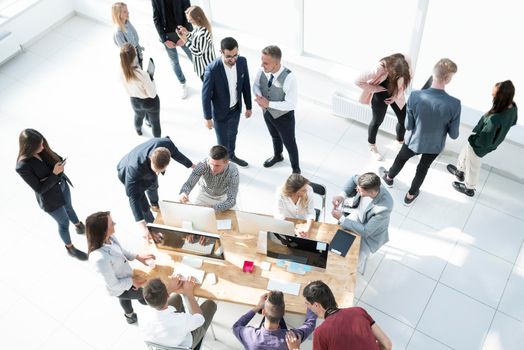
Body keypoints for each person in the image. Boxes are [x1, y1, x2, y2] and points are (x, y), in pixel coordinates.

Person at [380, 58, 461, 206]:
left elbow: (408, 125)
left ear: (433, 73)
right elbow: (454, 135)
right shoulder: (454, 104)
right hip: (434, 146)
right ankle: (410, 195)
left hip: (413, 141)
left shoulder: (415, 96)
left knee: (400, 159)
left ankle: (389, 178)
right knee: (423, 168)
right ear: (448, 79)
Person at [15, 129, 87, 261]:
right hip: (51, 199)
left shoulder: (42, 149)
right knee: (63, 222)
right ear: (29, 147)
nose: (43, 147)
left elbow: (56, 158)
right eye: (40, 145)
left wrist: (58, 165)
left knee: (69, 207)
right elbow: (39, 189)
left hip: (62, 186)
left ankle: (79, 226)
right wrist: (53, 174)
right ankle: (70, 248)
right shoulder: (22, 166)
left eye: (43, 143)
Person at [447, 80, 518, 197]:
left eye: (494, 94)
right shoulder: (513, 108)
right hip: (484, 141)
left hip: (479, 145)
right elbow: (513, 122)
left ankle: (469, 188)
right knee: (465, 153)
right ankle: (460, 171)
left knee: (473, 166)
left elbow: (484, 140)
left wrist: (474, 140)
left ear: (502, 97)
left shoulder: (494, 119)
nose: (492, 95)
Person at [117, 137, 194, 238]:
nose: (157, 173)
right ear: (150, 159)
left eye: (160, 170)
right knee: (142, 203)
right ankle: (152, 225)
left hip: (147, 168)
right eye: (156, 170)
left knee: (153, 185)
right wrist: (141, 225)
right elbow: (133, 198)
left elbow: (178, 155)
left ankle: (154, 204)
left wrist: (192, 165)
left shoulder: (166, 144)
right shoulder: (134, 169)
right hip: (127, 171)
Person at [86, 211, 155, 324]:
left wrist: (138, 257)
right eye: (111, 223)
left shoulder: (110, 237)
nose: (115, 223)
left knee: (124, 298)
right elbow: (114, 285)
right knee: (142, 295)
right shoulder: (99, 259)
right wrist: (132, 281)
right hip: (118, 287)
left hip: (124, 277)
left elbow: (121, 251)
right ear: (103, 230)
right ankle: (145, 310)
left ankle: (129, 316)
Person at [202, 37, 252, 168]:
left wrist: (249, 106)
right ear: (221, 52)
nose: (233, 59)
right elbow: (205, 96)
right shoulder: (212, 69)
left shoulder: (242, 62)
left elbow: (245, 84)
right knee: (222, 144)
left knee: (233, 134)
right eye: (229, 56)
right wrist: (207, 118)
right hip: (220, 113)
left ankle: (232, 156)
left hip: (235, 109)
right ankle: (224, 167)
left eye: (235, 55)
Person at [303, 280, 392, 350]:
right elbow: (387, 344)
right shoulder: (359, 311)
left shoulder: (320, 333)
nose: (306, 305)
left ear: (316, 305)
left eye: (307, 303)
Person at [331, 173, 393, 274]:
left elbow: (366, 231)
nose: (356, 190)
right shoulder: (369, 183)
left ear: (372, 193)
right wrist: (341, 196)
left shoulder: (384, 208)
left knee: (351, 264)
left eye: (359, 190)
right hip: (358, 218)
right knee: (336, 244)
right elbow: (353, 178)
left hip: (369, 236)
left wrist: (342, 218)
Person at [253, 45, 301, 174]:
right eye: (262, 61)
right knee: (274, 135)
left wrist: (268, 103)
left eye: (266, 63)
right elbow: (256, 85)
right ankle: (278, 156)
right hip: (267, 112)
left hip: (284, 117)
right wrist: (259, 96)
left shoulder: (290, 78)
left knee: (290, 143)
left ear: (276, 63)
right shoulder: (262, 70)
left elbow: (291, 104)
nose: (262, 65)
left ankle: (296, 170)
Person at [355, 53, 411, 161]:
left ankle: (400, 141)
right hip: (381, 93)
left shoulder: (405, 65)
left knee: (404, 118)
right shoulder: (379, 68)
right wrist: (375, 89)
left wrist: (395, 97)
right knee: (377, 121)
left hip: (396, 93)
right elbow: (357, 81)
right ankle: (372, 146)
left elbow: (404, 83)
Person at [140, 277, 217, 348]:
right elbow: (200, 319)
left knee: (176, 297)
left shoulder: (142, 315)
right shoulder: (180, 320)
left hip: (162, 343)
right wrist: (189, 293)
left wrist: (170, 288)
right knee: (210, 304)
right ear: (167, 295)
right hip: (184, 344)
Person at [232, 291, 317, 350]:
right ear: (284, 312)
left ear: (263, 312)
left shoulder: (250, 336)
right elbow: (310, 324)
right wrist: (311, 297)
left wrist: (257, 307)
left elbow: (236, 326)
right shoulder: (291, 338)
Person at [152, 0, 193, 99]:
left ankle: (206, 79)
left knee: (194, 57)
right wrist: (164, 40)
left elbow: (189, 12)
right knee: (174, 62)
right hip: (167, 35)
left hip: (182, 31)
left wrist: (184, 35)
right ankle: (182, 83)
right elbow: (156, 18)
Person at [179, 145, 239, 211]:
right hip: (204, 195)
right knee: (192, 213)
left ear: (226, 162)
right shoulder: (202, 164)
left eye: (217, 165)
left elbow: (231, 200)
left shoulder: (233, 171)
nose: (213, 168)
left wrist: (213, 208)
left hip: (223, 197)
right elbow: (189, 184)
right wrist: (183, 193)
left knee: (235, 217)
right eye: (211, 164)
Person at [119, 43, 161, 137]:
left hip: (134, 101)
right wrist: (151, 79)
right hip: (150, 102)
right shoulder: (142, 75)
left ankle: (138, 131)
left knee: (138, 116)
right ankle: (157, 142)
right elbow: (152, 94)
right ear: (134, 56)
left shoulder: (122, 72)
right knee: (155, 122)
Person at [175, 5, 215, 81]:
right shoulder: (199, 28)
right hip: (202, 68)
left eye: (190, 19)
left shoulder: (203, 33)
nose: (188, 22)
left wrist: (185, 40)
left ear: (198, 18)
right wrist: (186, 33)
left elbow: (198, 52)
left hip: (207, 70)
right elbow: (196, 39)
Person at [112, 2, 145, 68]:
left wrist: (138, 48)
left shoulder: (127, 22)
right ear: (118, 14)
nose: (128, 12)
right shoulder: (118, 32)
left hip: (137, 54)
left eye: (127, 10)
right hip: (131, 61)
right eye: (125, 11)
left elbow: (134, 38)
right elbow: (125, 51)